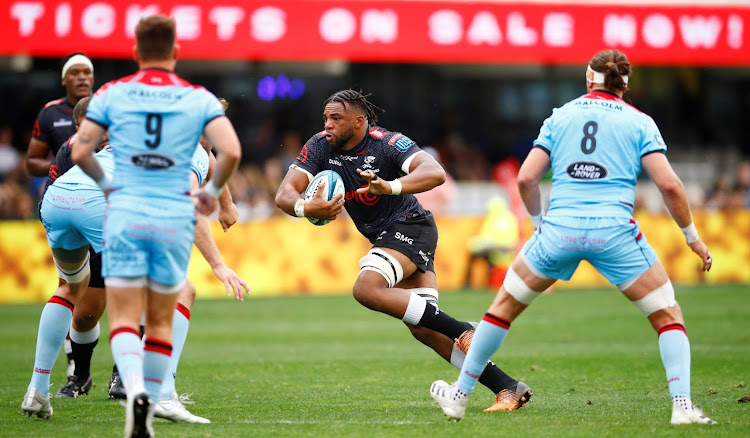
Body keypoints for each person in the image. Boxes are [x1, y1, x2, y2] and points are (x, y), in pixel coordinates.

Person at [429, 49, 716, 425]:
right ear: (625, 86)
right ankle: (682, 407)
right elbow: (670, 185)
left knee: (499, 313)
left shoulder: (560, 116)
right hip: (614, 233)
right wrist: (692, 237)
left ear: (587, 79)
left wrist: (537, 226)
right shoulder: (640, 121)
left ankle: (460, 396)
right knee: (668, 318)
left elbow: (526, 178)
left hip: (559, 231)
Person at [275, 89, 532, 412]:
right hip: (387, 236)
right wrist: (303, 206)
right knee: (425, 329)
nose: (327, 125)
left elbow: (435, 173)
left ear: (358, 122)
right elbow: (285, 192)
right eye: (325, 118)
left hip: (411, 226)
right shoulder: (319, 146)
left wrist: (391, 185)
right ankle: (507, 387)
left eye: (335, 119)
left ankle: (463, 329)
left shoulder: (387, 143)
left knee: (366, 288)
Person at [21, 97, 248, 423]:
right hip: (102, 202)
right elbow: (191, 202)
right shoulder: (190, 149)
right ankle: (162, 394)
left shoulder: (144, 132)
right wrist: (218, 265)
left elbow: (213, 164)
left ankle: (37, 389)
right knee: (181, 291)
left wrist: (226, 204)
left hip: (59, 197)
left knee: (71, 287)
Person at [71, 15, 242, 437]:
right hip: (172, 215)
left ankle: (134, 392)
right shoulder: (196, 97)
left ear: (134, 53)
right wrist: (213, 191)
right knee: (162, 320)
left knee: (126, 318)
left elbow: (79, 150)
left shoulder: (112, 92)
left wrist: (108, 185)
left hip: (126, 211)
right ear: (177, 52)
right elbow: (232, 150)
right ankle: (152, 394)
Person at [27, 52, 95, 380]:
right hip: (76, 203)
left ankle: (40, 385)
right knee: (136, 281)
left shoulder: (99, 112)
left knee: (78, 295)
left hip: (59, 203)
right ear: (64, 79)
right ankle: (78, 368)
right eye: (76, 73)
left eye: (88, 73)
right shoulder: (52, 114)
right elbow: (30, 163)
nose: (83, 78)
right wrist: (68, 163)